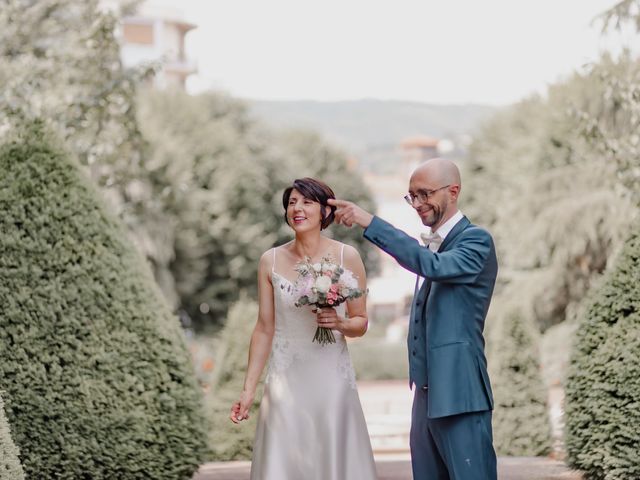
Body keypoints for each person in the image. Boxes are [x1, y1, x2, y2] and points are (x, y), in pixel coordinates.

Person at [328, 158, 498, 480]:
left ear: (453, 191)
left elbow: (432, 266)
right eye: (411, 196)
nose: (417, 204)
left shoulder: (477, 240)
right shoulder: (434, 245)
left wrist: (369, 222)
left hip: (460, 393)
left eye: (424, 194)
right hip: (425, 396)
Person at [230, 177, 378, 480]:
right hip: (285, 381)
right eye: (292, 202)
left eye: (306, 202)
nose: (297, 208)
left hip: (331, 381)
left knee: (333, 459)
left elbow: (360, 322)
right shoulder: (269, 261)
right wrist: (248, 391)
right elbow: (264, 328)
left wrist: (339, 323)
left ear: (325, 212)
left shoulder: (346, 256)